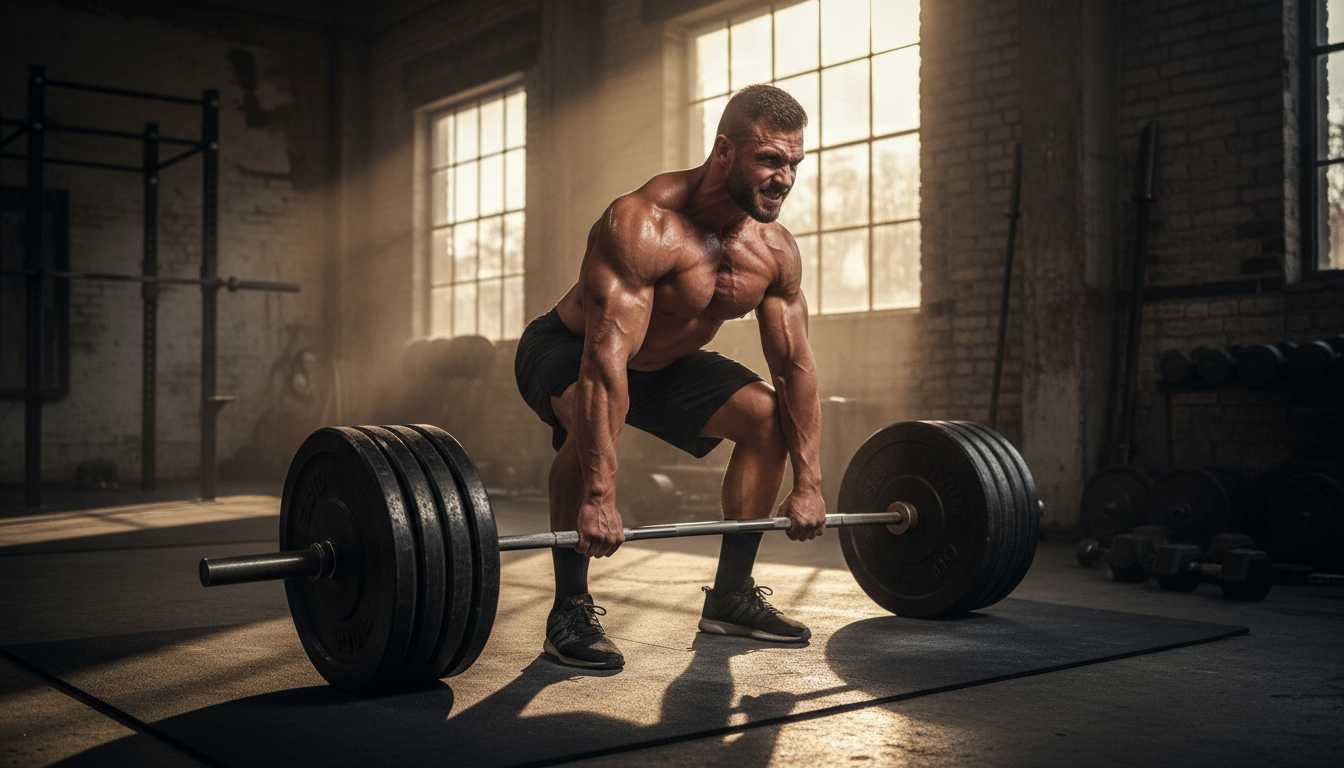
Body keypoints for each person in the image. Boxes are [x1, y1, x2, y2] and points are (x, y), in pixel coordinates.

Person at [514, 84, 825, 670]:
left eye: (793, 163)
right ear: (725, 150)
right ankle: (569, 609)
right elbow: (604, 361)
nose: (784, 178)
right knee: (590, 417)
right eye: (770, 160)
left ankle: (731, 598)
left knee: (766, 418)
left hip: (663, 364)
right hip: (571, 347)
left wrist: (809, 482)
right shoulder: (643, 223)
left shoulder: (773, 250)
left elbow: (794, 367)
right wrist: (601, 497)